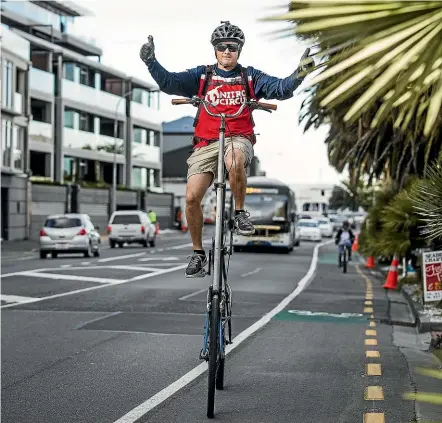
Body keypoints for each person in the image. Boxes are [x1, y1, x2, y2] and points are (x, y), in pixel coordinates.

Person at [139, 21, 315, 278]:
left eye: (232, 47)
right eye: (222, 47)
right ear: (215, 50)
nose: (227, 51)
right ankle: (198, 253)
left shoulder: (250, 77)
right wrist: (150, 61)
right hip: (206, 143)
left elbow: (281, 89)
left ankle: (240, 213)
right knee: (191, 197)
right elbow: (170, 83)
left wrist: (300, 72)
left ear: (239, 50)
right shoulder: (202, 76)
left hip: (238, 137)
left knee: (235, 159)